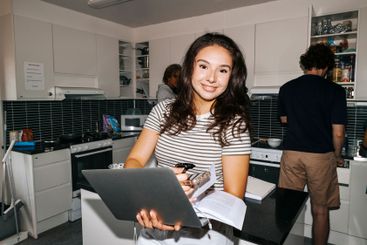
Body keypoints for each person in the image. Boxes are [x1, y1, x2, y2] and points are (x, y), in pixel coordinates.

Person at [124, 32, 251, 244]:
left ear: (232, 77)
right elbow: (134, 161)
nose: (212, 78)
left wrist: (180, 200)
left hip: (206, 233)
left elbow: (233, 196)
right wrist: (149, 195)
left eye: (223, 70)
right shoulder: (162, 111)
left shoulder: (234, 124)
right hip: (155, 228)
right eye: (203, 66)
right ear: (190, 67)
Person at [278, 43, 347, 245]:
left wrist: (301, 117)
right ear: (326, 67)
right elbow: (339, 132)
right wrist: (337, 155)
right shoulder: (335, 91)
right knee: (320, 210)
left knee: (287, 208)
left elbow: (284, 120)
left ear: (306, 64)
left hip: (292, 155)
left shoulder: (287, 88)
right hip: (320, 156)